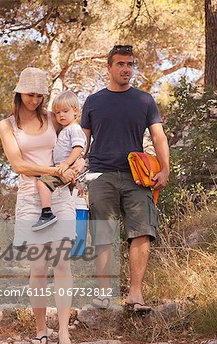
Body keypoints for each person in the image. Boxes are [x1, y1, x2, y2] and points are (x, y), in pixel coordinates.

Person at [0, 67, 79, 344]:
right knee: (39, 267)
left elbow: (74, 142)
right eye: (30, 94)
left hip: (59, 195)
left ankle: (64, 333)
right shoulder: (6, 125)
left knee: (62, 265)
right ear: (19, 93)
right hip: (30, 199)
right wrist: (54, 170)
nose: (34, 100)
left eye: (39, 95)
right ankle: (41, 328)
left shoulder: (51, 118)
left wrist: (75, 166)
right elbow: (19, 165)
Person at [81, 45, 170, 312]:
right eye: (120, 64)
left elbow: (158, 136)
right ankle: (104, 293)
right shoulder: (93, 101)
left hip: (137, 177)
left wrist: (164, 169)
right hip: (100, 175)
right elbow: (81, 142)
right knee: (103, 234)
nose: (126, 69)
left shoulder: (144, 100)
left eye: (130, 64)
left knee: (142, 232)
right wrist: (75, 170)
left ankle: (135, 294)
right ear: (108, 67)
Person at [32, 91, 87, 231]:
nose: (61, 115)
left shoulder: (74, 129)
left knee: (42, 182)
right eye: (57, 113)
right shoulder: (65, 129)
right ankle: (51, 215)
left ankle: (47, 214)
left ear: (75, 111)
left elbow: (79, 147)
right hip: (62, 169)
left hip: (64, 168)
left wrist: (66, 163)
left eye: (65, 111)